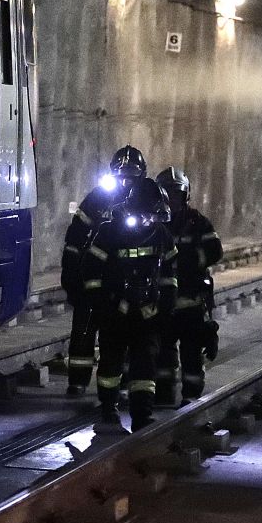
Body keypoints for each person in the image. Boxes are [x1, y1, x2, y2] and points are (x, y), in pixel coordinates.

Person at [60, 146, 167, 396]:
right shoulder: (97, 199)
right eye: (120, 175)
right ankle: (78, 381)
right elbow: (75, 239)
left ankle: (123, 380)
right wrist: (71, 275)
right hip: (93, 274)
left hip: (122, 280)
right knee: (84, 327)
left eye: (131, 175)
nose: (124, 180)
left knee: (124, 332)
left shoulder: (144, 199)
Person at [80, 184, 178, 432]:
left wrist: (166, 307)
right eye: (144, 215)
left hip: (148, 314)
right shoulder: (109, 232)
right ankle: (108, 409)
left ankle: (142, 416)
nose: (148, 221)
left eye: (153, 216)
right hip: (115, 312)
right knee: (110, 364)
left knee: (145, 367)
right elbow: (91, 271)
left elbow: (170, 275)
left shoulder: (162, 234)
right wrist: (100, 304)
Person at [155, 166, 223, 406]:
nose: (173, 201)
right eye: (169, 195)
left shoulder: (198, 222)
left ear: (185, 196)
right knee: (163, 355)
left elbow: (215, 251)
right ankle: (163, 395)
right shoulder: (155, 224)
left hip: (192, 304)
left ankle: (191, 399)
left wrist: (189, 262)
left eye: (177, 194)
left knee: (192, 356)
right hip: (164, 305)